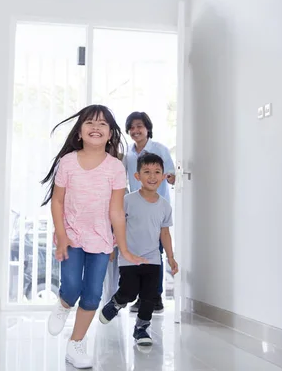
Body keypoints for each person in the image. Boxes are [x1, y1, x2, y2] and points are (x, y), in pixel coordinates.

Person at [41, 104, 146, 369]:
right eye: (90, 122)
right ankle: (64, 304)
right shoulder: (67, 162)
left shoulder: (115, 168)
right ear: (79, 132)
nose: (96, 127)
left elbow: (116, 211)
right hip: (72, 235)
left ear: (110, 133)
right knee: (72, 286)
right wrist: (62, 235)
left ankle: (76, 344)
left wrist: (123, 247)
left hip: (100, 239)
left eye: (102, 124)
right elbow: (57, 201)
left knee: (91, 296)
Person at [99, 152, 179, 347]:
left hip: (153, 258)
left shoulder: (165, 206)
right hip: (129, 257)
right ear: (137, 176)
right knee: (129, 291)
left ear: (163, 176)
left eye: (157, 172)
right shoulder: (127, 200)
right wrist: (110, 246)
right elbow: (115, 224)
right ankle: (117, 302)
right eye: (147, 172)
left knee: (149, 296)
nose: (152, 176)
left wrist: (170, 257)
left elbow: (165, 234)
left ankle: (141, 328)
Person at [123, 111, 175, 313]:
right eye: (132, 127)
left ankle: (155, 297)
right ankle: (143, 296)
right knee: (138, 253)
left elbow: (171, 173)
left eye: (139, 126)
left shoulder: (160, 149)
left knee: (156, 253)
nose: (135, 131)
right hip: (135, 209)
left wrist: (171, 178)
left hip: (155, 207)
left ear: (147, 128)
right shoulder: (127, 153)